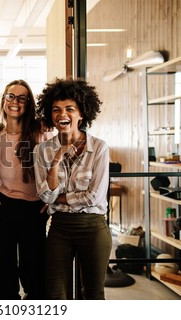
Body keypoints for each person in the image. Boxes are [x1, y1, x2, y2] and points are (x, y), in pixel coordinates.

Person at [34, 77, 111, 300]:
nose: (62, 114)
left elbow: (95, 197)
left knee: (93, 293)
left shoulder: (99, 147)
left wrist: (59, 198)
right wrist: (57, 160)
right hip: (60, 228)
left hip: (93, 227)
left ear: (82, 113)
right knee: (56, 293)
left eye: (70, 109)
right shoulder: (44, 150)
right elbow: (46, 196)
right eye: (56, 110)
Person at [0, 79, 51, 300]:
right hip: (3, 207)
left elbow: (57, 168)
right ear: (4, 100)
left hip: (35, 209)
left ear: (28, 103)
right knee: (4, 270)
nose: (15, 102)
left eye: (22, 98)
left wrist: (52, 199)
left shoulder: (42, 133)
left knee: (34, 271)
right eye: (11, 96)